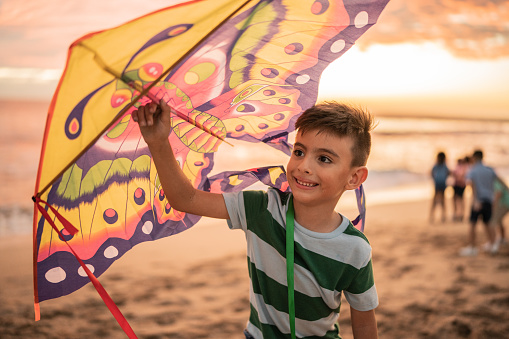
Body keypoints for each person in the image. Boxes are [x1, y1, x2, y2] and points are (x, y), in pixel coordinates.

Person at [133, 100, 379, 338]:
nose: (304, 166)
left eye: (324, 159)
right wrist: (158, 141)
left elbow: (364, 322)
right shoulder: (261, 209)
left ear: (354, 178)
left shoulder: (354, 249)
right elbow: (186, 199)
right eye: (299, 151)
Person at [460, 150, 498, 256]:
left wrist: (476, 200)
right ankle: (493, 244)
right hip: (489, 199)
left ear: (474, 157)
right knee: (488, 222)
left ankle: (472, 247)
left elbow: (472, 185)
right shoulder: (489, 170)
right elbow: (495, 183)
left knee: (472, 224)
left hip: (478, 200)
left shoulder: (473, 170)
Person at [429, 152, 449, 223]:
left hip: (439, 184)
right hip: (440, 184)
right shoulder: (440, 166)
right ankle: (437, 216)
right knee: (439, 200)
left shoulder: (442, 166)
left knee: (438, 201)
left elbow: (431, 173)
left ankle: (441, 216)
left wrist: (435, 179)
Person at [492, 176, 509, 246]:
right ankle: (502, 238)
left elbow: (499, 193)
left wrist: (494, 204)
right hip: (505, 203)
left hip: (505, 203)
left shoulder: (495, 181)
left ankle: (494, 241)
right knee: (498, 220)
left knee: (494, 220)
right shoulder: (498, 181)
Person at [451, 157, 468, 222]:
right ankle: (458, 213)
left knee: (459, 200)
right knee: (457, 199)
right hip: (457, 185)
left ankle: (460, 214)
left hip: (460, 185)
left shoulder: (463, 168)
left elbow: (461, 176)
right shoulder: (461, 167)